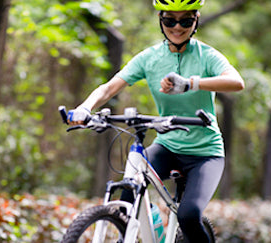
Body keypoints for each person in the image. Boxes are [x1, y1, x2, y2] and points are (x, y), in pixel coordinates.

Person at [67, 0, 244, 242]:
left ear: (196, 20)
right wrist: (85, 108)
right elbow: (109, 88)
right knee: (126, 195)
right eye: (170, 20)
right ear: (161, 20)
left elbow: (236, 81)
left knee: (189, 215)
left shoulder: (207, 55)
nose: (177, 27)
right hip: (168, 146)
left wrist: (191, 83)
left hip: (205, 153)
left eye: (186, 20)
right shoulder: (149, 58)